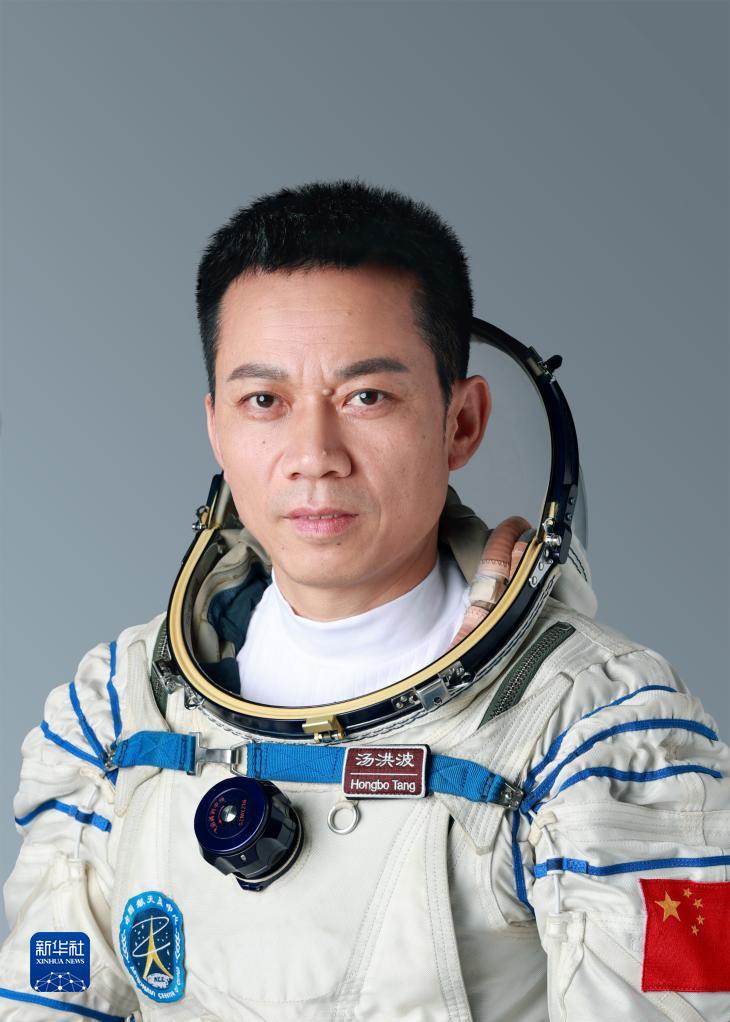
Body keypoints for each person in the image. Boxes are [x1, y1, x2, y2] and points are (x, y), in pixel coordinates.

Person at [1, 180, 728, 1022]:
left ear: (461, 423)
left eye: (367, 397)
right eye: (264, 401)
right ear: (216, 427)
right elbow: (47, 993)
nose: (314, 454)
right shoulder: (117, 711)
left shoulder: (601, 731)